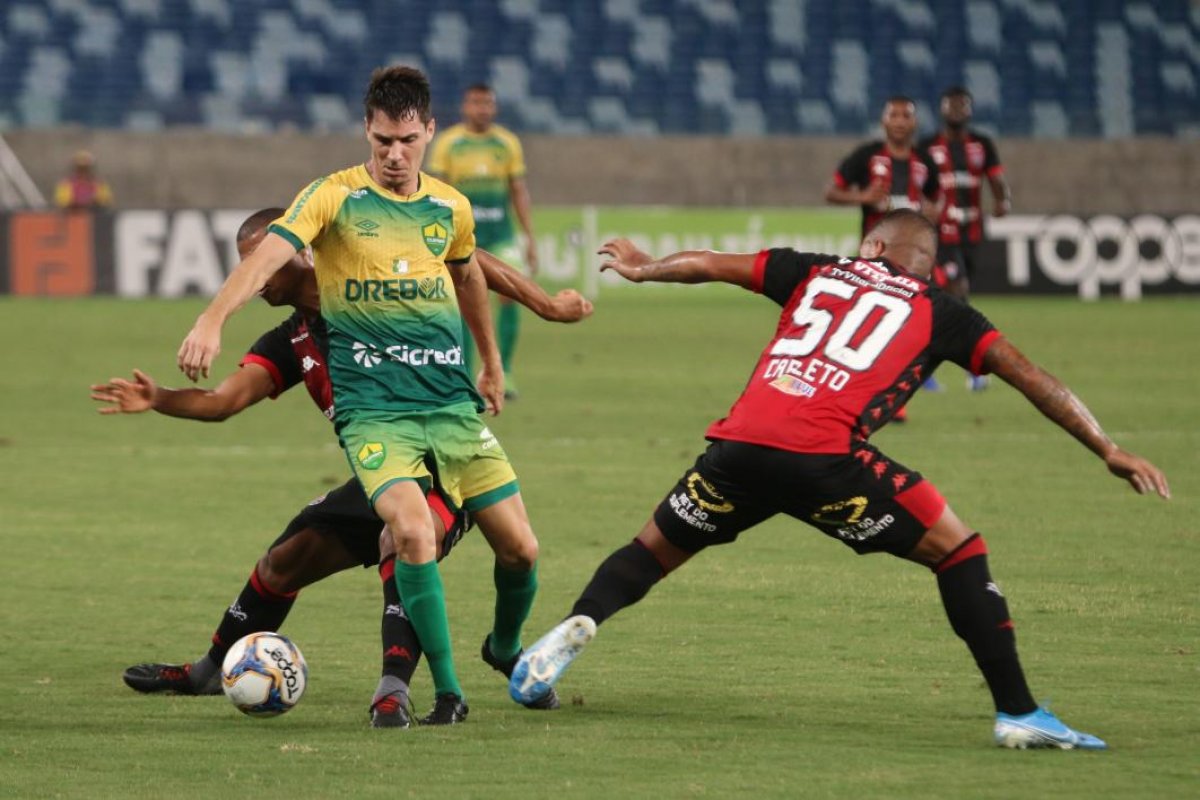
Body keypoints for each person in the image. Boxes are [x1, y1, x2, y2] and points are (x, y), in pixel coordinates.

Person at [508, 210, 1170, 751]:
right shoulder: (945, 310)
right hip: (827, 463)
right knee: (959, 550)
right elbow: (1033, 378)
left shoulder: (815, 270)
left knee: (650, 551)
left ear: (873, 245)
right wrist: (1106, 448)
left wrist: (644, 269)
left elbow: (710, 263)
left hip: (739, 446)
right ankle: (1018, 712)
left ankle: (572, 630)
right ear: (926, 264)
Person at [94, 208, 591, 728]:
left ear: (302, 253)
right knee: (283, 562)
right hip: (383, 465)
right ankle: (207, 672)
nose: (256, 278)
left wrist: (547, 306)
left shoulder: (367, 282)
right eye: (248, 267)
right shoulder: (291, 340)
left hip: (443, 457)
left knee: (437, 545)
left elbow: (464, 257)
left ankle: (399, 687)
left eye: (265, 264)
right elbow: (223, 401)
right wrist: (159, 399)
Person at [177, 66, 547, 726]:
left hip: (451, 408)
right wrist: (213, 317)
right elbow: (267, 257)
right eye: (382, 141)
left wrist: (491, 363)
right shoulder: (332, 198)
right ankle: (445, 694)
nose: (394, 153)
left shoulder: (448, 208)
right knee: (406, 531)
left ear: (429, 131)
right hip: (376, 413)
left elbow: (471, 278)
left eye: (406, 140)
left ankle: (504, 646)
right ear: (366, 132)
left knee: (522, 551)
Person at [826, 95, 940, 399]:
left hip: (915, 258)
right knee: (872, 319)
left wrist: (931, 213)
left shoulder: (924, 161)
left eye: (906, 116)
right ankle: (865, 377)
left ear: (914, 123)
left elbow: (935, 200)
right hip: (876, 257)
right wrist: (862, 197)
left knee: (919, 317)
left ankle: (916, 375)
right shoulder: (866, 157)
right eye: (895, 115)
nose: (901, 122)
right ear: (883, 121)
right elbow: (832, 192)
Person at [427, 83, 538, 397]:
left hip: (501, 237)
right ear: (465, 106)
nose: (482, 108)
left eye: (487, 102)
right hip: (464, 239)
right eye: (476, 102)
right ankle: (462, 373)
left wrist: (530, 238)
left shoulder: (507, 144)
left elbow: (518, 190)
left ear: (495, 106)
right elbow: (437, 194)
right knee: (462, 300)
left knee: (510, 295)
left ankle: (506, 371)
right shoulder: (449, 144)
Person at [919, 86, 1012, 391]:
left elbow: (996, 178)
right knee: (956, 290)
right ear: (942, 110)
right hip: (941, 234)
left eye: (963, 106)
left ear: (970, 110)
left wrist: (1002, 201)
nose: (957, 110)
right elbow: (916, 184)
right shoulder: (928, 146)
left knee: (953, 297)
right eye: (952, 105)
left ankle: (926, 364)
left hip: (971, 232)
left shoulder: (982, 144)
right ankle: (969, 368)